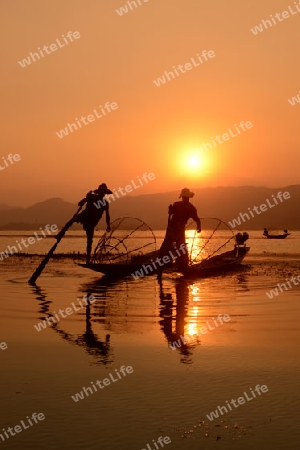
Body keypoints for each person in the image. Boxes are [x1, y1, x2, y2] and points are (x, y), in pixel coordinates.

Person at [159, 188, 201, 272]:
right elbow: (171, 212)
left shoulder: (190, 207)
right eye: (184, 197)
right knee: (169, 244)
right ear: (183, 197)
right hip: (173, 226)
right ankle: (168, 262)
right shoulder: (178, 205)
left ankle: (181, 263)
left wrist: (199, 226)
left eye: (186, 197)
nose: (185, 198)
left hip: (178, 227)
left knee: (179, 245)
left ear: (188, 197)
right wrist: (170, 210)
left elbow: (197, 219)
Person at [76, 183, 112, 264]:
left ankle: (88, 260)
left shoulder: (105, 203)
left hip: (91, 222)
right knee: (72, 220)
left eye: (104, 192)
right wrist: (86, 198)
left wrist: (108, 225)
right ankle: (61, 233)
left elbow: (107, 215)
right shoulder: (92, 198)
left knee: (89, 241)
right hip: (84, 216)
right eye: (101, 192)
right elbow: (80, 203)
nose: (102, 194)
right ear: (98, 192)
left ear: (105, 193)